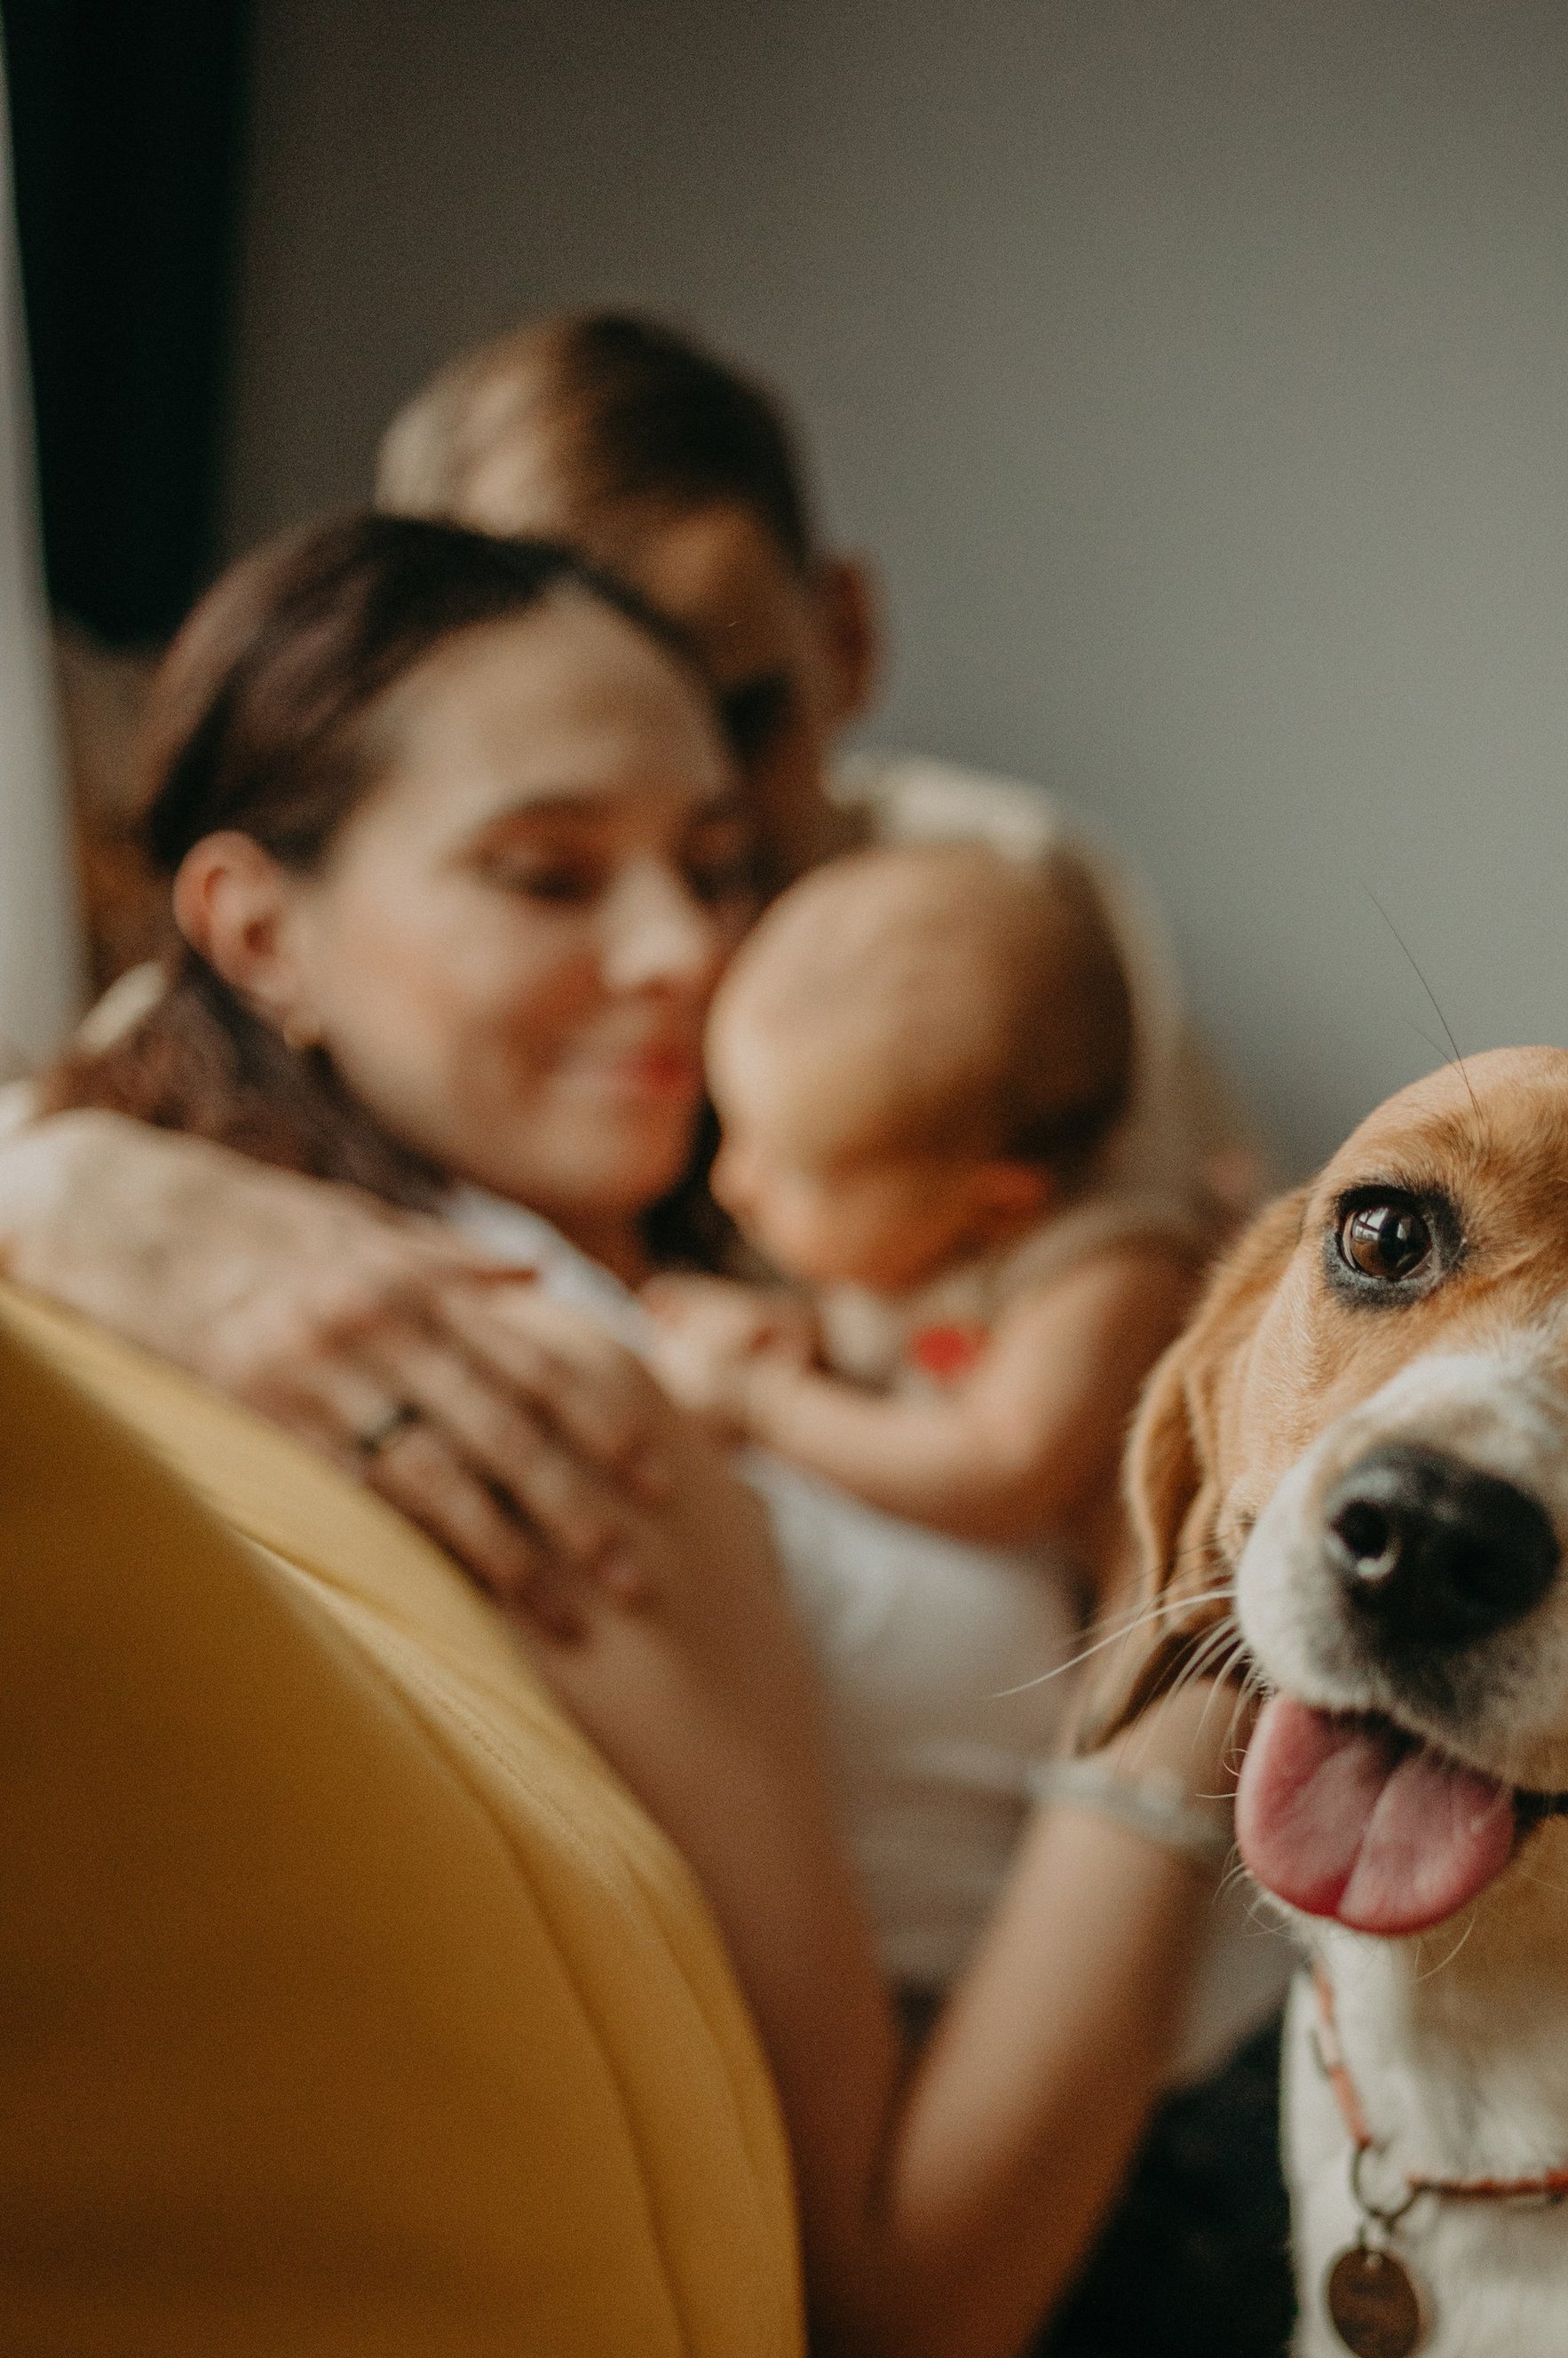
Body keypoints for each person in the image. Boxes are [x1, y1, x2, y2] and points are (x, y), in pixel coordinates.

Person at [30, 510, 1298, 2358]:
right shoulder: (510, 1384)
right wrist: (1206, 1619)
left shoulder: (699, 1230)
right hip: (1228, 2119)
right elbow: (901, 2341)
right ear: (260, 931)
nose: (685, 953)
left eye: (717, 865)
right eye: (546, 875)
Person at [0, 308, 1261, 1629]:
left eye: (734, 716)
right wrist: (68, 1194)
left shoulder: (998, 906)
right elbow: (121, 1093)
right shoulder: (324, 994)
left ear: (847, 634)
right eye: (552, 854)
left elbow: (1166, 1384)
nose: (682, 939)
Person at [647, 838, 1210, 1581]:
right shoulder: (907, 1230)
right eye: (734, 1129)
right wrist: (795, 1339)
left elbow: (999, 1473)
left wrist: (767, 1402)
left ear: (1000, 1203)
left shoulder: (1106, 1273)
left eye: (795, 1174)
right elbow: (890, 1357)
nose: (731, 1183)